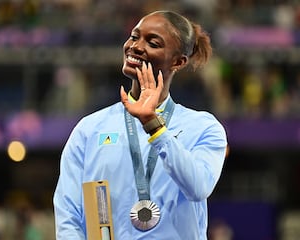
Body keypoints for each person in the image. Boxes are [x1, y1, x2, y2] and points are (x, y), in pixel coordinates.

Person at [53, 10, 228, 239]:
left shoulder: (203, 127)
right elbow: (69, 214)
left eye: (153, 42)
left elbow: (198, 186)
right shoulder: (90, 129)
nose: (135, 46)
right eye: (134, 37)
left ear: (178, 61)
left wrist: (153, 125)